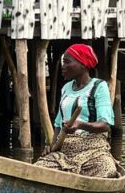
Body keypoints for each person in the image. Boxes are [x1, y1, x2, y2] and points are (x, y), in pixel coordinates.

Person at [38, 43, 119, 177]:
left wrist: (80, 125)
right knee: (39, 170)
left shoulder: (99, 86)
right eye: (63, 62)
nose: (63, 66)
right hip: (64, 150)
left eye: (67, 62)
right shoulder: (66, 88)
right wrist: (52, 146)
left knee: (107, 170)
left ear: (83, 65)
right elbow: (58, 124)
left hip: (93, 150)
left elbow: (105, 125)